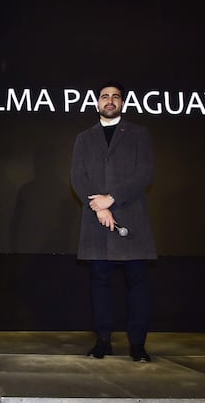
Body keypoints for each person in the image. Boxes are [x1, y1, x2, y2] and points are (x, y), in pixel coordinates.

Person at [71, 81, 157, 362]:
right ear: (97, 102)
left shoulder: (138, 134)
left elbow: (145, 173)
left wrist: (112, 199)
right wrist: (99, 207)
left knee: (138, 284)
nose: (110, 100)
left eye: (115, 97)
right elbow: (77, 177)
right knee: (100, 283)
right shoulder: (84, 138)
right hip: (96, 222)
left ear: (122, 103)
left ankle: (138, 345)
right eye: (105, 96)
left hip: (132, 221)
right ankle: (103, 341)